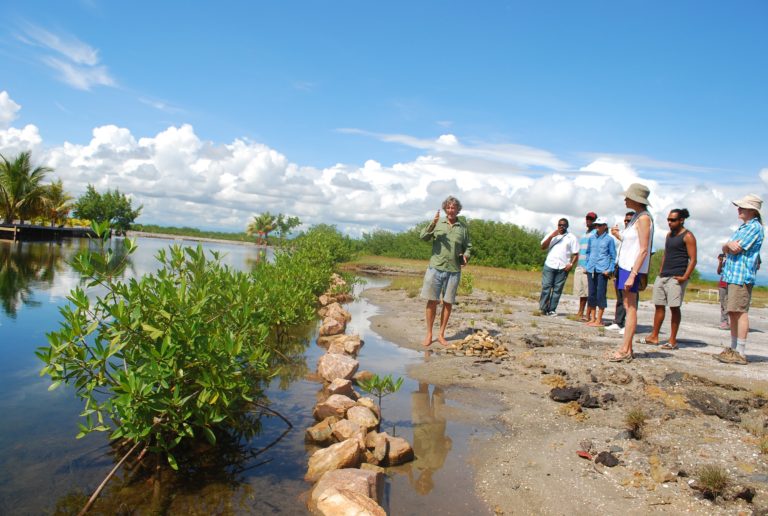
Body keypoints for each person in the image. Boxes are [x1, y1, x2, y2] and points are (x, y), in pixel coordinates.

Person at [714, 194, 764, 365]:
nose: (739, 209)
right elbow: (727, 247)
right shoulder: (743, 228)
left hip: (741, 275)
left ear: (752, 210)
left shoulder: (754, 227)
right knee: (733, 311)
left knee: (740, 311)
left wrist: (728, 245)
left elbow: (735, 248)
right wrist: (727, 245)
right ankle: (734, 348)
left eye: (742, 207)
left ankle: (740, 351)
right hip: (732, 274)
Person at [640, 209, 697, 350]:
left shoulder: (688, 236)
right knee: (658, 305)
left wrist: (685, 277)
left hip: (676, 277)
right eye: (668, 220)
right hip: (663, 275)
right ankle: (654, 336)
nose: (669, 223)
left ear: (681, 220)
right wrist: (660, 272)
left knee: (674, 307)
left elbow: (693, 259)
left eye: (673, 220)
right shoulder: (668, 236)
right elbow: (666, 254)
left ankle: (672, 340)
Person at [608, 183, 653, 362]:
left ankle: (625, 349)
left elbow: (643, 249)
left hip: (632, 269)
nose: (625, 199)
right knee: (627, 306)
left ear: (636, 199)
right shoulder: (636, 217)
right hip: (625, 266)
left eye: (628, 196)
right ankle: (628, 348)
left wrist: (634, 274)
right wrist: (618, 235)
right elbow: (631, 244)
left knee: (631, 307)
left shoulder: (644, 219)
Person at [420, 196, 472, 347]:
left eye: (453, 208)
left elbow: (468, 246)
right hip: (435, 267)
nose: (451, 210)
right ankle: (429, 334)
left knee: (448, 302)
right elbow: (423, 237)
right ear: (445, 209)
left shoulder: (462, 228)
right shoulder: (438, 223)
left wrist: (466, 256)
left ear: (458, 210)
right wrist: (433, 223)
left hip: (454, 270)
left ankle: (441, 335)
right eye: (448, 208)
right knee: (432, 301)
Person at [539, 218, 579, 316]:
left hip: (563, 267)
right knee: (546, 287)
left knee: (557, 290)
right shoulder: (551, 235)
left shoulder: (571, 237)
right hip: (550, 265)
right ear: (557, 225)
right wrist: (551, 236)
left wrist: (571, 264)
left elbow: (576, 253)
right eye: (560, 225)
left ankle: (552, 309)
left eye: (564, 225)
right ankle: (543, 308)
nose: (561, 227)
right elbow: (543, 247)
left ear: (567, 226)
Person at [606, 211, 635, 333]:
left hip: (630, 268)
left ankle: (628, 325)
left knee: (630, 298)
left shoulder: (637, 233)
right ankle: (618, 322)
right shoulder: (625, 233)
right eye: (625, 220)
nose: (627, 222)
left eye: (629, 220)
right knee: (620, 297)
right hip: (620, 267)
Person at [585, 217, 616, 327]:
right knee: (591, 294)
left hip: (603, 270)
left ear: (605, 226)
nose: (597, 227)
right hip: (591, 269)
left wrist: (610, 269)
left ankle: (599, 319)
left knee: (600, 294)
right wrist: (587, 265)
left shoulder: (609, 239)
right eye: (596, 225)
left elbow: (613, 256)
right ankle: (593, 318)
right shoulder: (592, 238)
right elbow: (588, 252)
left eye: (600, 225)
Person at [574, 212, 597, 321]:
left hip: (588, 266)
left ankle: (588, 314)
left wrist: (590, 266)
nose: (589, 220)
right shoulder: (583, 234)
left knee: (589, 291)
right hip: (580, 265)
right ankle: (580, 311)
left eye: (591, 219)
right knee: (581, 290)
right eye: (587, 218)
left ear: (595, 221)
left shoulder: (595, 234)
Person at [716, 253, 729, 330]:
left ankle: (729, 321)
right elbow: (718, 272)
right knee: (723, 304)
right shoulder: (724, 262)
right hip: (723, 284)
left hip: (731, 284)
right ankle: (724, 321)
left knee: (729, 304)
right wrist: (720, 262)